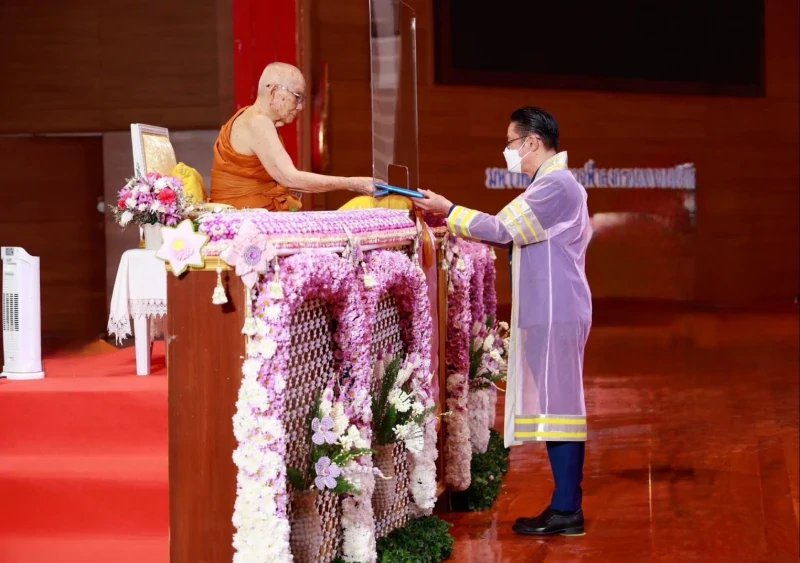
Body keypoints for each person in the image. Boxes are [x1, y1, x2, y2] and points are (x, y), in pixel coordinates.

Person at [414, 107, 592, 537]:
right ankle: (564, 505)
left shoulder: (556, 184)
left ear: (532, 142)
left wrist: (448, 210)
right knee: (555, 407)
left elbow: (500, 229)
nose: (509, 152)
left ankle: (568, 509)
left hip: (557, 310)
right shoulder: (550, 183)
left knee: (562, 408)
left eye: (511, 143)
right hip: (550, 309)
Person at [210, 62, 374, 210]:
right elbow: (289, 178)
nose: (301, 106)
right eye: (297, 97)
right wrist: (352, 183)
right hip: (241, 221)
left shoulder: (248, 116)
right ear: (274, 91)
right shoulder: (258, 123)